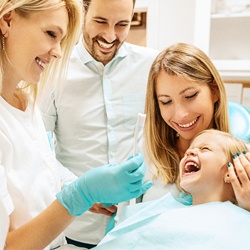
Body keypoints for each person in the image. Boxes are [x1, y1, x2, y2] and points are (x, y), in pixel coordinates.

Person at [0, 1, 152, 249]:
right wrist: (81, 193)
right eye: (51, 34)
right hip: (73, 234)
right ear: (7, 20)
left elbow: (43, 165)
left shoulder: (26, 103)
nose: (59, 52)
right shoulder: (47, 80)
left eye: (122, 24)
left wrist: (81, 191)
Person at [91, 129, 250, 249]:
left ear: (233, 171)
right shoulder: (164, 209)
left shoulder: (241, 221)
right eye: (190, 149)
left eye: (205, 149)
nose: (190, 151)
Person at [142, 43, 250, 212]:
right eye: (166, 101)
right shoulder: (146, 160)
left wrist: (247, 207)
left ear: (214, 90)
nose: (180, 114)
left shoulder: (245, 163)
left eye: (190, 96)